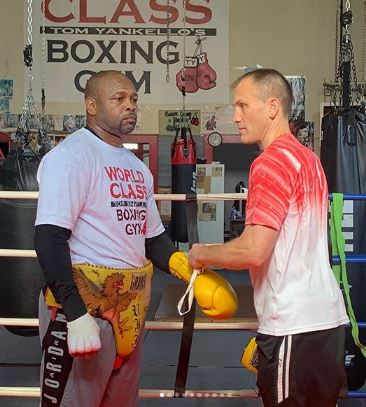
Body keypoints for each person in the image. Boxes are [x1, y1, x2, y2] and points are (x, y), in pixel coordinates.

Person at [34, 70, 238, 407]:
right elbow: (49, 238)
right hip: (86, 311)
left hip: (130, 309)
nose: (130, 106)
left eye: (133, 100)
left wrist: (185, 268)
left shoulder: (136, 167)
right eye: (119, 99)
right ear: (91, 105)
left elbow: (152, 237)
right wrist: (75, 313)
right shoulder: (71, 157)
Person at [189, 68, 349, 406]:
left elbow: (254, 250)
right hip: (328, 323)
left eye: (243, 106)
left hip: (292, 324)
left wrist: (202, 253)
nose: (235, 116)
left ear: (272, 106)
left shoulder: (269, 163)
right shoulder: (309, 159)